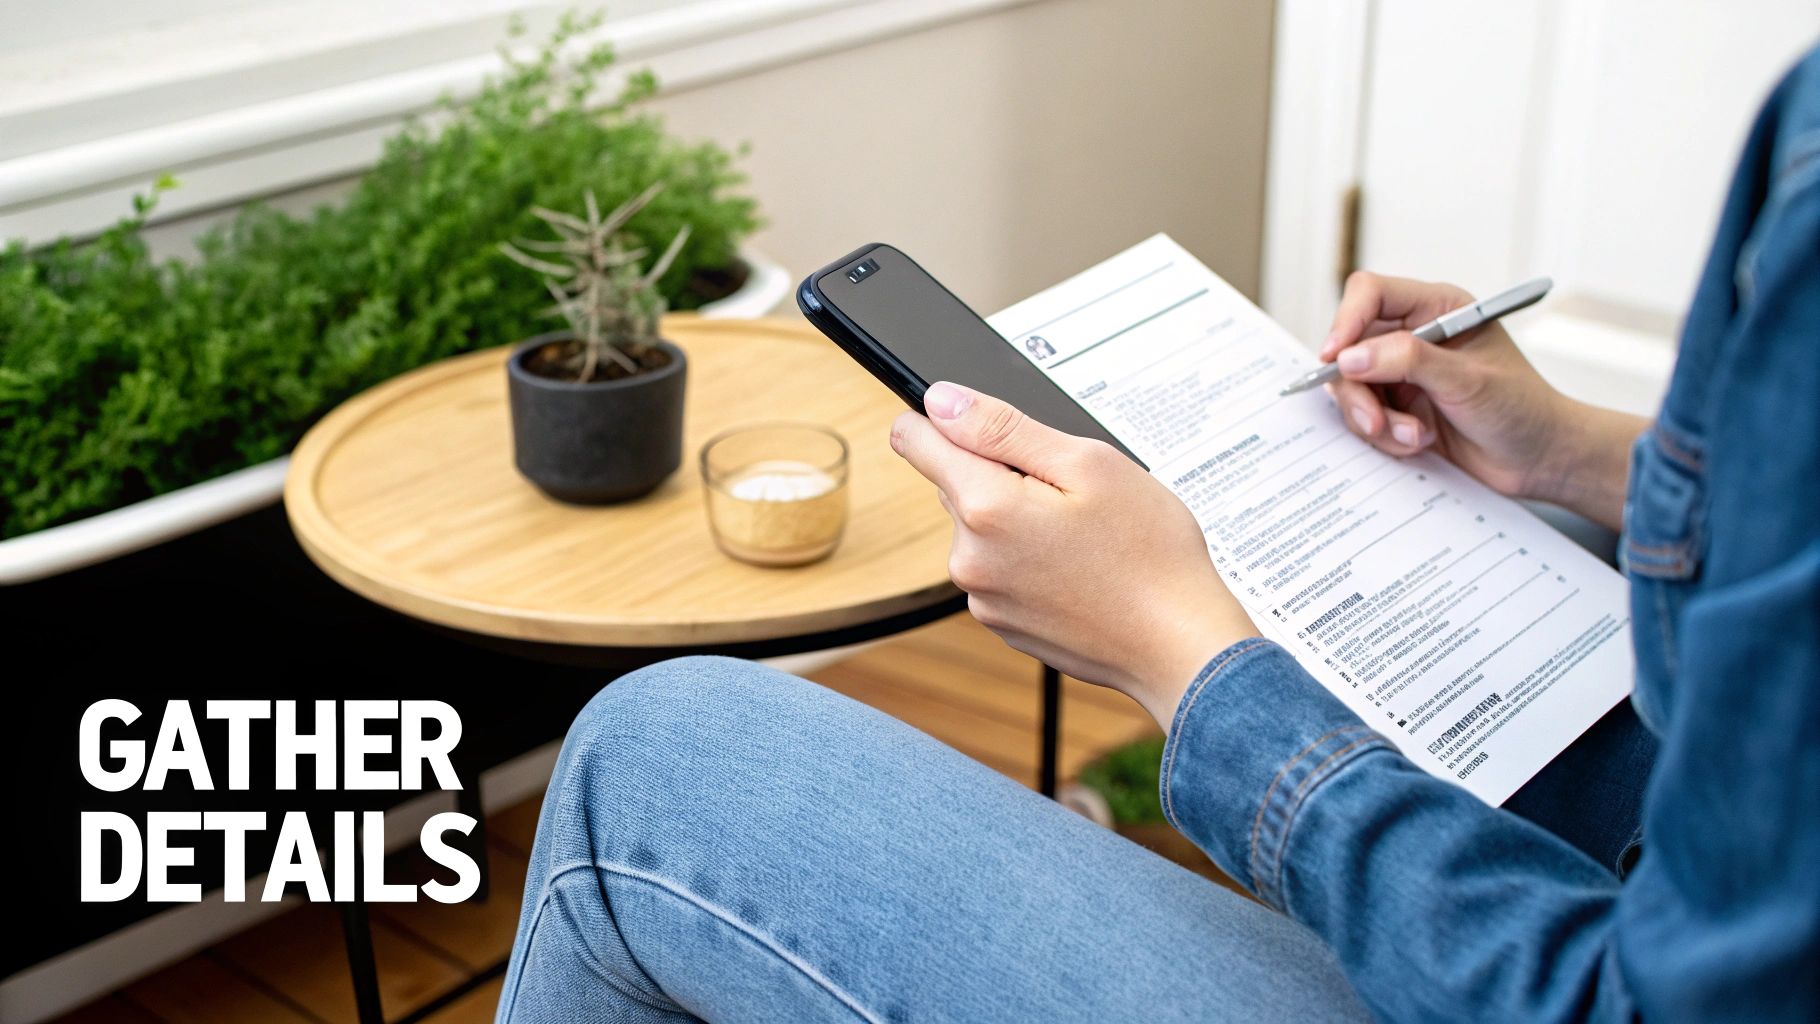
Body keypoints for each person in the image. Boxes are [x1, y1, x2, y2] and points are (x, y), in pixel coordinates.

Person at [494, 47, 1820, 1023]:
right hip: (1701, 834)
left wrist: (1187, 661)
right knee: (1517, 535)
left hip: (1606, 964)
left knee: (650, 757)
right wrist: (1582, 454)